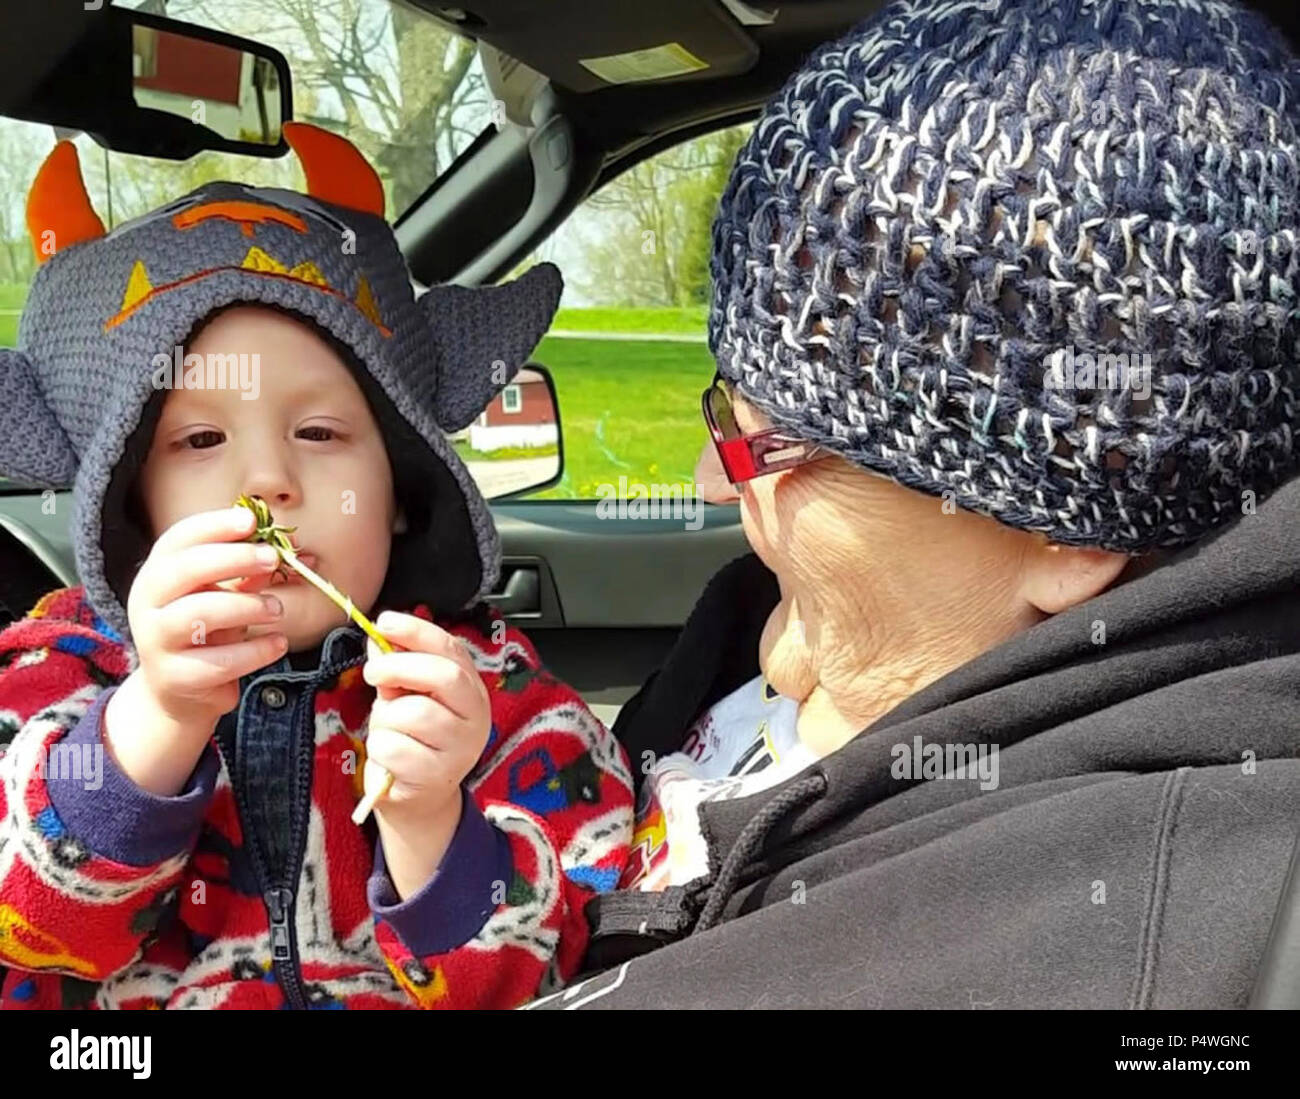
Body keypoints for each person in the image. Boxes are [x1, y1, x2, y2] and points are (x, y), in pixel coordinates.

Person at [530, 0, 1300, 1008]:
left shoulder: (1123, 934)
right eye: (725, 404)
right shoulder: (770, 640)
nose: (711, 481)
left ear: (1072, 530)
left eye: (758, 439)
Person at [0, 123, 632, 1009]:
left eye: (320, 432)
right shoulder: (55, 679)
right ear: (130, 503)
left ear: (404, 489)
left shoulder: (497, 703)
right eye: (201, 438)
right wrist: (157, 717)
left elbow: (568, 972)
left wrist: (431, 824)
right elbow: (33, 931)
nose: (268, 480)